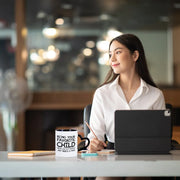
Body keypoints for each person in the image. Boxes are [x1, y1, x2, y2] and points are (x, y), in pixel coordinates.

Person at [87, 34, 165, 180]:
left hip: (144, 161)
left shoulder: (155, 95)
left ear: (135, 55)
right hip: (111, 160)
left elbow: (160, 139)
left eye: (118, 52)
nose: (112, 60)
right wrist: (93, 145)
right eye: (110, 54)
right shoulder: (102, 94)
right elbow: (94, 137)